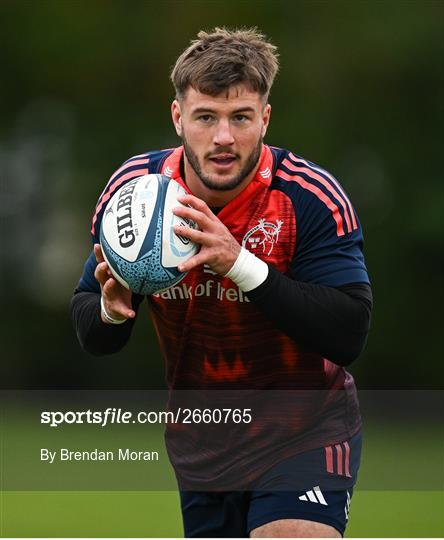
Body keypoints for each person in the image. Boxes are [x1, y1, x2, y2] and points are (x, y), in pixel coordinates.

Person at [71, 27, 372, 538]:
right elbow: (93, 331)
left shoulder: (307, 198)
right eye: (206, 117)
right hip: (203, 446)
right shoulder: (138, 199)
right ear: (178, 118)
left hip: (306, 434)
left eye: (241, 118)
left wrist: (239, 263)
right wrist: (109, 309)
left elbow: (349, 333)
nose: (223, 138)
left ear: (266, 118)